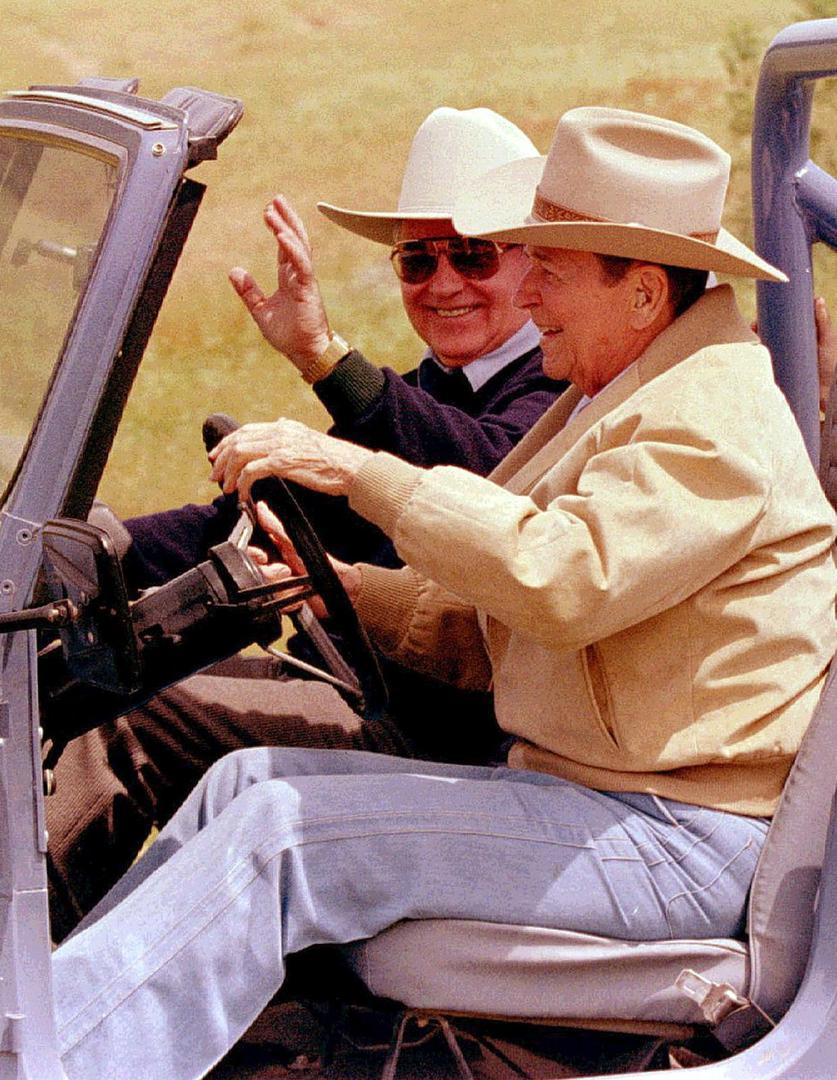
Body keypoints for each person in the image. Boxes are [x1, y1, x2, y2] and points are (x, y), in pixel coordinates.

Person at [52, 107, 836, 1080]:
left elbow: (557, 578)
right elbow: (487, 629)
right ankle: (51, 1029)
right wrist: (333, 586)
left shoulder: (709, 419)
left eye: (546, 264)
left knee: (281, 835)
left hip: (675, 834)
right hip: (597, 801)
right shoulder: (620, 396)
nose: (530, 289)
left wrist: (359, 471)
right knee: (246, 784)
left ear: (641, 290)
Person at [46, 106, 563, 942]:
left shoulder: (555, 386)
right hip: (371, 696)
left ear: (532, 263)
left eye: (472, 255)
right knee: (99, 680)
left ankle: (32, 998)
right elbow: (234, 523)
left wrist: (327, 361)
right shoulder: (434, 389)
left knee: (118, 721)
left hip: (467, 746)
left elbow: (483, 472)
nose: (442, 284)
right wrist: (55, 558)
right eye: (417, 260)